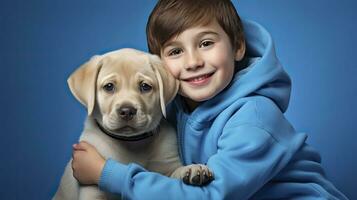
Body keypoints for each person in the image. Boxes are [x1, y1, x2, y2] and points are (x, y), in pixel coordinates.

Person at [71, 0, 348, 199]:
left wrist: (105, 174)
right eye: (176, 51)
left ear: (238, 46)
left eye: (206, 43)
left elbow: (211, 196)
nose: (193, 62)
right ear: (160, 64)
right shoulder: (174, 108)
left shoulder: (254, 117)